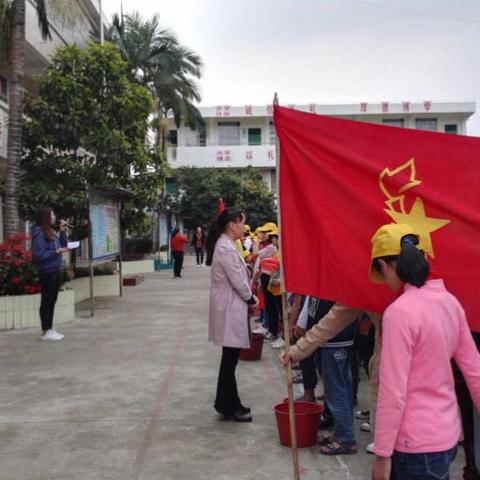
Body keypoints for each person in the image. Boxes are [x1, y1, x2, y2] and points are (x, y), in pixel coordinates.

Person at [369, 223, 480, 480]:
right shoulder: (449, 302)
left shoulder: (399, 313)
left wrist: (382, 454)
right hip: (447, 436)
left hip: (414, 445)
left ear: (385, 266)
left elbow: (393, 391)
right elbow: (475, 370)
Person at [206, 208, 258, 422]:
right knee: (230, 359)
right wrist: (251, 298)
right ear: (232, 224)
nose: (245, 227)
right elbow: (237, 278)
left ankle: (227, 402)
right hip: (230, 307)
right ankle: (229, 405)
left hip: (230, 306)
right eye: (242, 222)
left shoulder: (226, 245)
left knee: (230, 359)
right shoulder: (225, 247)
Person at [31, 206, 68, 341]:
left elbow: (63, 246)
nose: (54, 217)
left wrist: (63, 232)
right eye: (52, 215)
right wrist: (56, 252)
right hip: (46, 271)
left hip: (55, 269)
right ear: (46, 217)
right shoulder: (39, 234)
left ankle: (50, 328)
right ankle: (46, 331)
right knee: (47, 300)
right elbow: (38, 255)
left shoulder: (50, 231)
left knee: (52, 300)